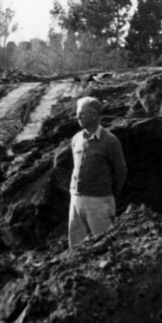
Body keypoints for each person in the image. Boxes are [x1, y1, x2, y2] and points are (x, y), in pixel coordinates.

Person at [68, 96, 127, 248]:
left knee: (105, 245)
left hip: (99, 201)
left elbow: (120, 171)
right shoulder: (76, 139)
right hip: (76, 200)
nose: (78, 117)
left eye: (82, 114)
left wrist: (108, 196)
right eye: (77, 114)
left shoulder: (110, 141)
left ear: (94, 114)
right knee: (76, 246)